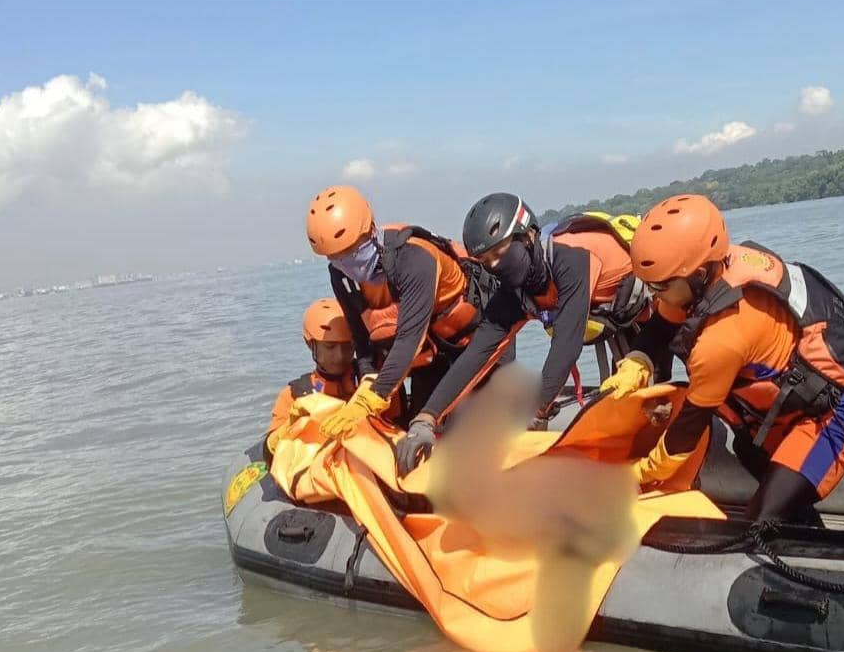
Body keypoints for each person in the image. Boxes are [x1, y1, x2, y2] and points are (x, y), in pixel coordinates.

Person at [600, 194, 844, 522]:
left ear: (698, 273)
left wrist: (638, 474)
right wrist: (637, 361)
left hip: (841, 410)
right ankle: (805, 528)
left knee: (760, 521)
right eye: (648, 284)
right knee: (749, 452)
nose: (653, 294)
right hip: (791, 407)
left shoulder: (721, 339)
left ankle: (794, 539)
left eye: (660, 286)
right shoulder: (714, 268)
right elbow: (661, 327)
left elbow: (686, 433)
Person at [395, 193, 652, 473]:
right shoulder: (513, 294)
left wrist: (538, 408)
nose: (494, 265)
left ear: (528, 235)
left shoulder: (570, 260)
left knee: (647, 406)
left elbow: (566, 347)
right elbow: (475, 356)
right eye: (485, 260)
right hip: (609, 325)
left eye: (500, 252)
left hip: (652, 313)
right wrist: (426, 418)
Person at [305, 185, 496, 434]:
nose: (346, 264)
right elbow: (362, 340)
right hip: (431, 354)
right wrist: (367, 382)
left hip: (479, 339)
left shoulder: (414, 258)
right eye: (335, 257)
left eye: (351, 252)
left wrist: (373, 397)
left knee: (491, 422)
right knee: (419, 430)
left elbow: (409, 338)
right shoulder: (341, 276)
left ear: (369, 230)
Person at [267, 298, 357, 452]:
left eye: (347, 345)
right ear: (310, 344)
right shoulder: (293, 396)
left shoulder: (372, 382)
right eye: (330, 346)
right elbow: (269, 452)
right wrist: (290, 426)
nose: (340, 355)